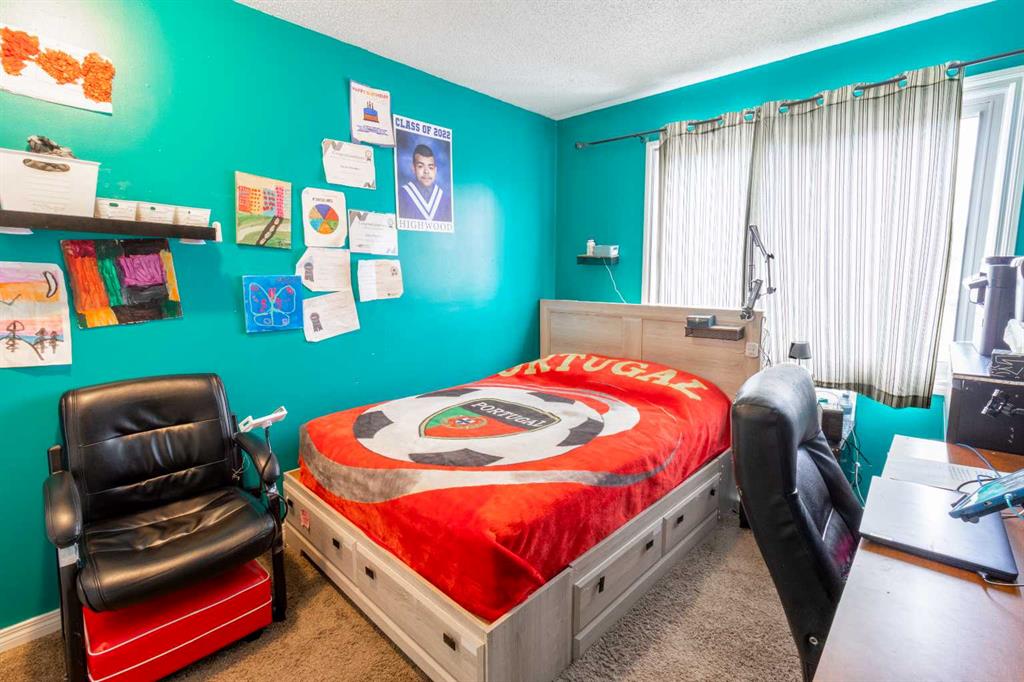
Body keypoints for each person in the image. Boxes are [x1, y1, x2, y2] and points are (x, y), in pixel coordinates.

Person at [398, 144, 451, 222]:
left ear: (435, 170)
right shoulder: (402, 195)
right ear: (413, 168)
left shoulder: (445, 200)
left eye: (430, 167)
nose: (426, 171)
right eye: (420, 166)